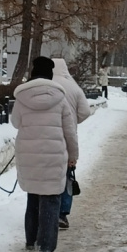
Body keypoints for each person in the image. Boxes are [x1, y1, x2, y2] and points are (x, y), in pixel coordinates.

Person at [11, 56, 79, 252]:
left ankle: (30, 240)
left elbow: (15, 123)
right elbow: (70, 133)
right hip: (54, 156)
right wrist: (73, 156)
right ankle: (45, 247)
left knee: (33, 197)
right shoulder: (60, 99)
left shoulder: (22, 98)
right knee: (51, 200)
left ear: (32, 73)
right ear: (50, 75)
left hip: (29, 155)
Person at [52, 58, 91, 230]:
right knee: (67, 177)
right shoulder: (74, 87)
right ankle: (62, 213)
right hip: (68, 138)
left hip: (47, 137)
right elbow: (85, 111)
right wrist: (73, 120)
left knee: (47, 176)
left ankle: (45, 211)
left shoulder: (47, 84)